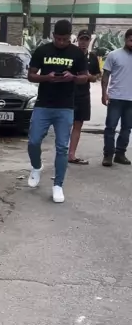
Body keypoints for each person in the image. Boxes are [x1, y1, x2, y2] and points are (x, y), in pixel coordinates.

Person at [27, 19, 88, 203]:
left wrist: (73, 77)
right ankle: (36, 167)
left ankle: (58, 185)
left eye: (65, 39)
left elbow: (85, 77)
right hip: (43, 104)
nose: (61, 42)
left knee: (62, 147)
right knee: (33, 141)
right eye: (58, 38)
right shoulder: (42, 50)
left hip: (65, 106)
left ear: (70, 37)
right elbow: (31, 75)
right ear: (53, 35)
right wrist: (47, 77)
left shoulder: (77, 53)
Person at [68, 29, 101, 165]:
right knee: (65, 123)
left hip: (83, 95)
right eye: (81, 39)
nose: (83, 42)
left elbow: (96, 77)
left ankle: (71, 154)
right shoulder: (71, 54)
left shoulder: (92, 57)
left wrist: (88, 76)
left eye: (86, 40)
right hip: (68, 93)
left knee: (78, 124)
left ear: (89, 41)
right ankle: (61, 151)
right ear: (78, 40)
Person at [101, 28, 132, 167]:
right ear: (125, 39)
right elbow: (106, 75)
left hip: (131, 100)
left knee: (127, 128)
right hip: (116, 98)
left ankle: (120, 154)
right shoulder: (114, 55)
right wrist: (104, 93)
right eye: (131, 40)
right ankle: (108, 155)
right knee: (110, 127)